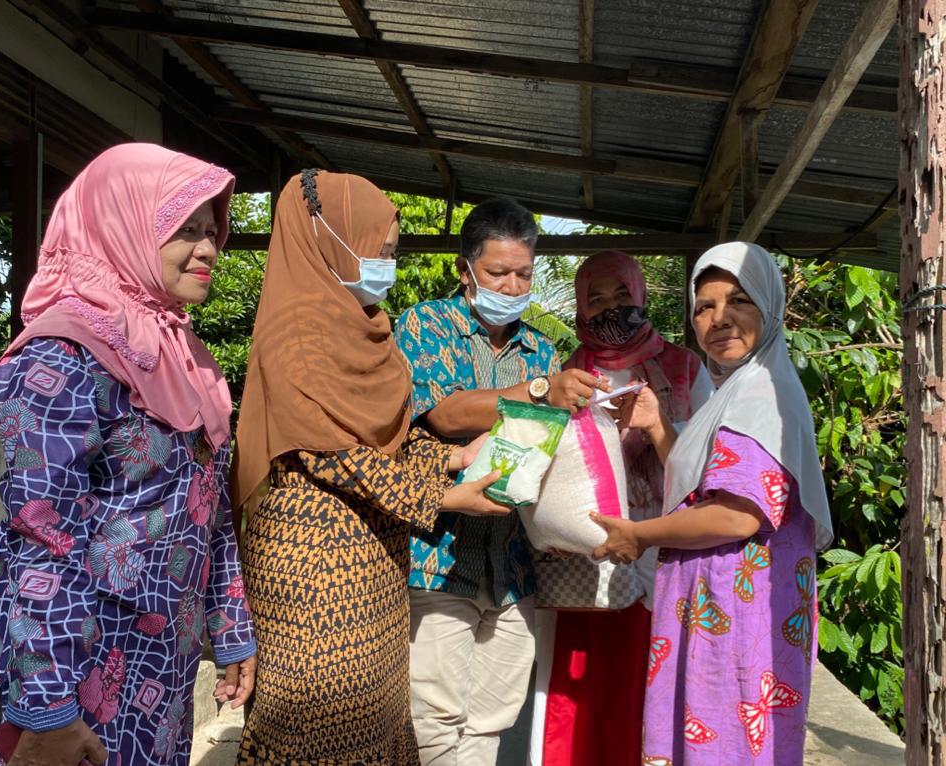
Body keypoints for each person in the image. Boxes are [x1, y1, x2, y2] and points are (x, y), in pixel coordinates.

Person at [0, 143, 257, 766]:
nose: (208, 249)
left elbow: (211, 513)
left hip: (159, 667)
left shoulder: (183, 355)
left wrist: (230, 632)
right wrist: (45, 710)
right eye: (183, 230)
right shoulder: (63, 354)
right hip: (75, 672)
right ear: (123, 223)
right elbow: (41, 538)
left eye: (212, 230)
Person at [231, 170, 509, 765]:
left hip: (378, 560)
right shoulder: (294, 331)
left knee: (376, 720)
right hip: (314, 566)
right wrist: (443, 499)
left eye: (391, 253)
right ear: (327, 238)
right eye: (377, 252)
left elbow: (395, 440)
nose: (386, 265)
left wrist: (453, 457)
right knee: (320, 724)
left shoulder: (367, 330)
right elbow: (332, 453)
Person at [592, 242, 832, 766]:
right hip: (719, 607)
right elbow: (710, 484)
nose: (719, 318)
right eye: (704, 306)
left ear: (770, 307)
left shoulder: (762, 393)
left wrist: (638, 534)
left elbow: (738, 514)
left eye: (739, 300)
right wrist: (657, 426)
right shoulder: (741, 388)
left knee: (727, 745)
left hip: (736, 614)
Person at [394, 197, 608, 766]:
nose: (512, 287)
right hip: (438, 558)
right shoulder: (425, 324)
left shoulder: (540, 346)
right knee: (434, 717)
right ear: (466, 269)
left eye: (524, 274)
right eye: (497, 273)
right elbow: (443, 413)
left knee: (492, 718)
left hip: (514, 566)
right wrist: (540, 392)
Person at [528, 251, 713, 766]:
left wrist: (655, 425)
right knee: (579, 688)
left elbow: (708, 472)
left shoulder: (684, 368)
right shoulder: (566, 374)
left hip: (664, 550)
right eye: (597, 299)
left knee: (650, 682)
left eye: (622, 295)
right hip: (586, 555)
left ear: (642, 296)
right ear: (582, 309)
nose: (611, 308)